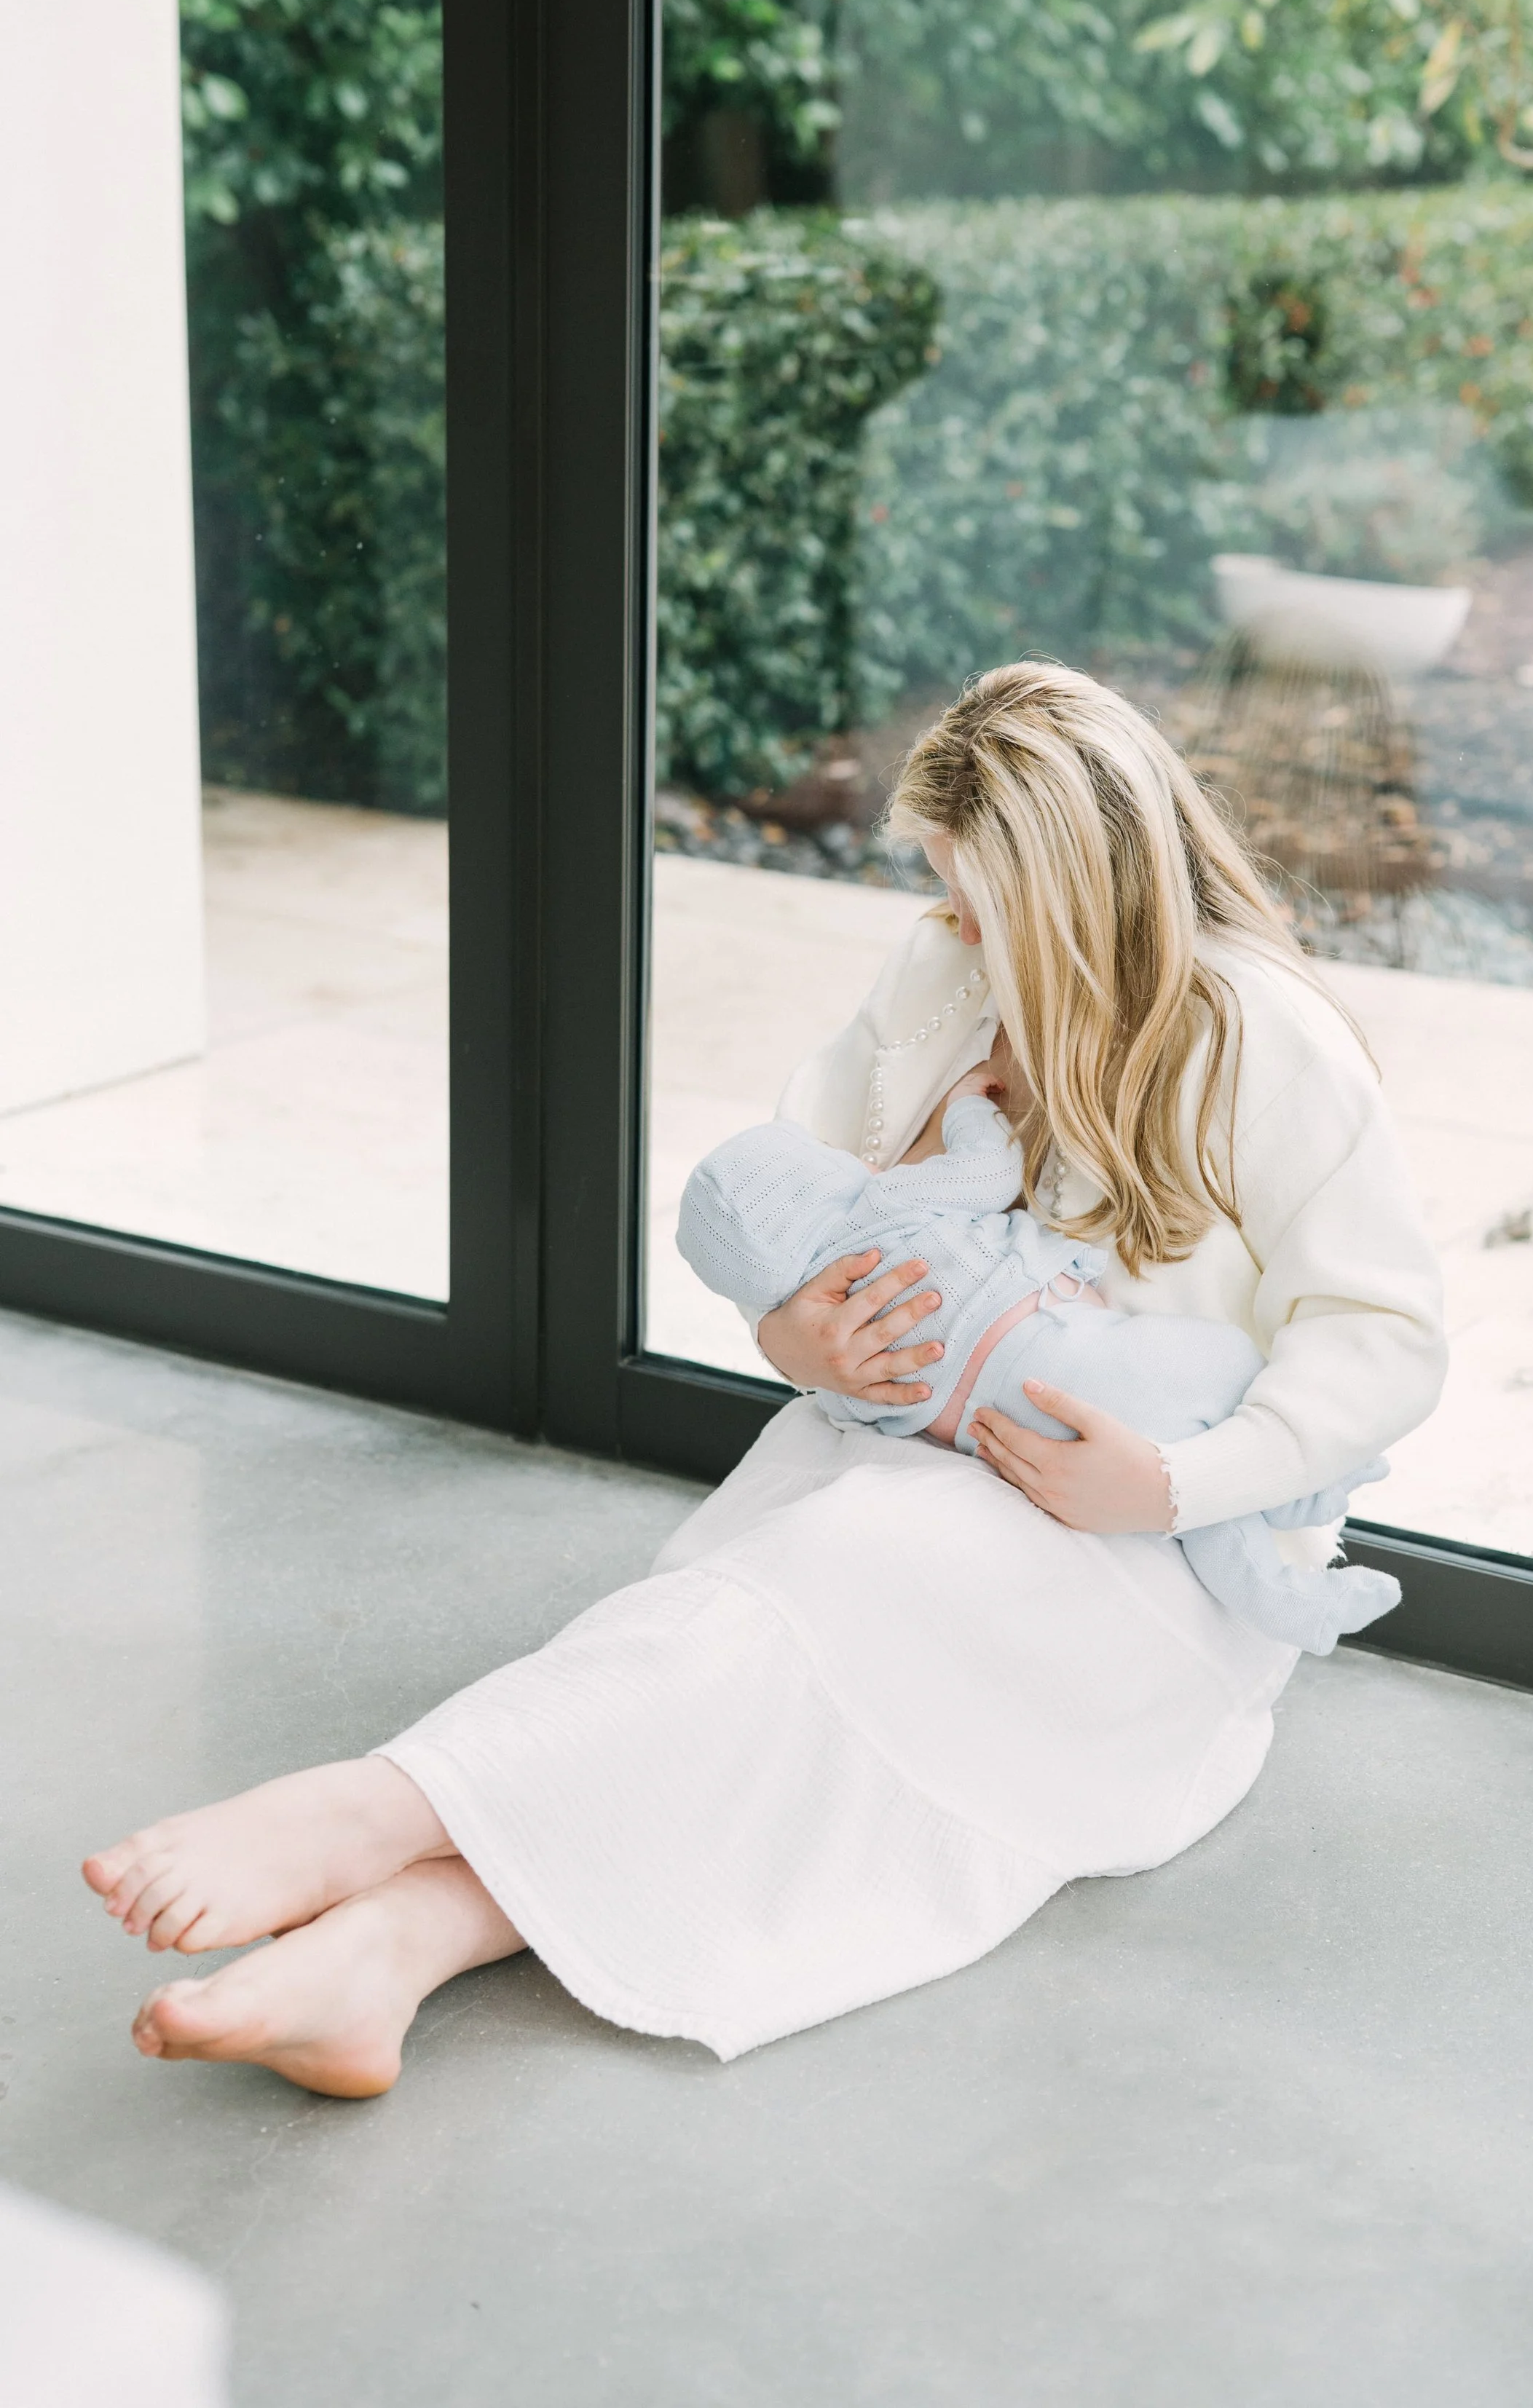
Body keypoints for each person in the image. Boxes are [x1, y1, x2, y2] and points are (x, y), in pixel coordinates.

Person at [79, 663, 1446, 2094]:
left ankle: (373, 1806)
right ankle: (392, 1950)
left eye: (983, 902)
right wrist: (791, 1339)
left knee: (810, 1607)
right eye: (942, 887)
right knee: (739, 1668)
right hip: (914, 1446)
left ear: (1077, 898)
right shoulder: (941, 971)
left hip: (1165, 1555)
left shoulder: (1256, 1037)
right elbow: (790, 1202)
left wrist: (1167, 1482)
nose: (954, 926)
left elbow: (1385, 1340)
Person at [675, 1062, 1398, 1651]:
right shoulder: (881, 1208)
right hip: (1078, 1359)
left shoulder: (836, 1355)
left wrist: (782, 1336)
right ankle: (1305, 1484)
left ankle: (1280, 1598)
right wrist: (967, 1110)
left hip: (1014, 1440)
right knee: (1223, 1368)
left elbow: (857, 1407)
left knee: (1202, 1512)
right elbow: (988, 1177)